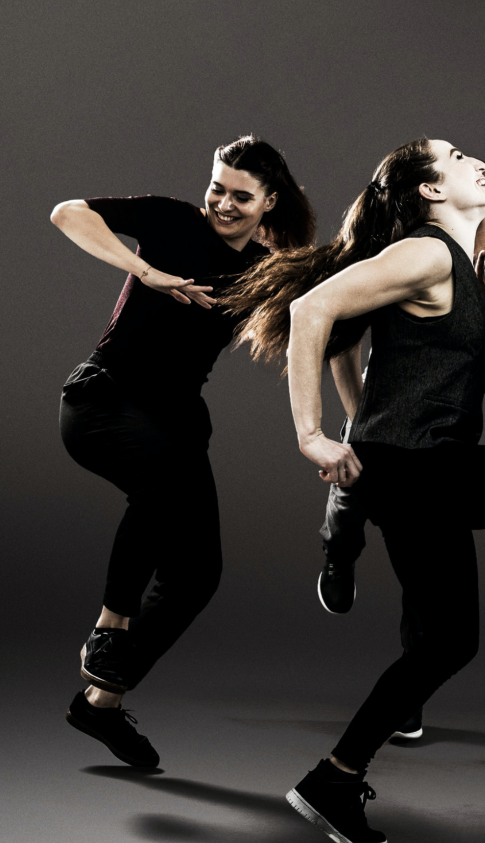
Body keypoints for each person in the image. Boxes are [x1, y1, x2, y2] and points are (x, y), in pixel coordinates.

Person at [225, 138, 485, 843]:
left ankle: (334, 779)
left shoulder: (456, 261)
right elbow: (310, 313)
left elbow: (367, 346)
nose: (475, 159)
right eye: (454, 156)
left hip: (417, 467)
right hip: (418, 470)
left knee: (449, 642)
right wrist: (314, 436)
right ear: (428, 189)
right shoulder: (426, 253)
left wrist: (364, 426)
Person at [312, 162, 485, 744]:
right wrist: (344, 427)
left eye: (482, 176)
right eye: (457, 163)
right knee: (350, 517)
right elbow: (329, 328)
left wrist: (475, 331)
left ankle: (401, 710)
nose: (472, 173)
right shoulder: (418, 254)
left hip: (436, 450)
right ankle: (339, 559)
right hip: (383, 434)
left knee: (440, 608)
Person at [52, 136, 315, 769]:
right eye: (217, 187)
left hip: (173, 425)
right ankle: (109, 630)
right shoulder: (171, 219)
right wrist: (145, 272)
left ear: (269, 201)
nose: (223, 203)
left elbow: (321, 314)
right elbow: (68, 212)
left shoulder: (264, 268)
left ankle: (101, 703)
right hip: (103, 402)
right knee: (161, 486)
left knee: (197, 573)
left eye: (241, 195)